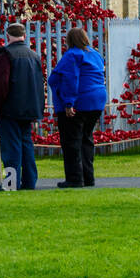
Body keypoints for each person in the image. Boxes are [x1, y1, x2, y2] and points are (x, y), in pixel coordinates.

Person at [0, 21, 46, 190]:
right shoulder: (34, 55)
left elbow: (3, 82)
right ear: (24, 36)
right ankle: (29, 181)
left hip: (11, 107)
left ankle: (11, 183)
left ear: (8, 36)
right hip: (29, 107)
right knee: (26, 144)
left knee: (11, 147)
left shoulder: (6, 55)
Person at [48, 27, 107, 188]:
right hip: (97, 101)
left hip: (80, 101)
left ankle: (75, 178)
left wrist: (69, 103)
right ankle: (88, 177)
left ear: (69, 40)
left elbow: (71, 78)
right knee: (86, 139)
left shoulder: (72, 55)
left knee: (71, 141)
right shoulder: (95, 54)